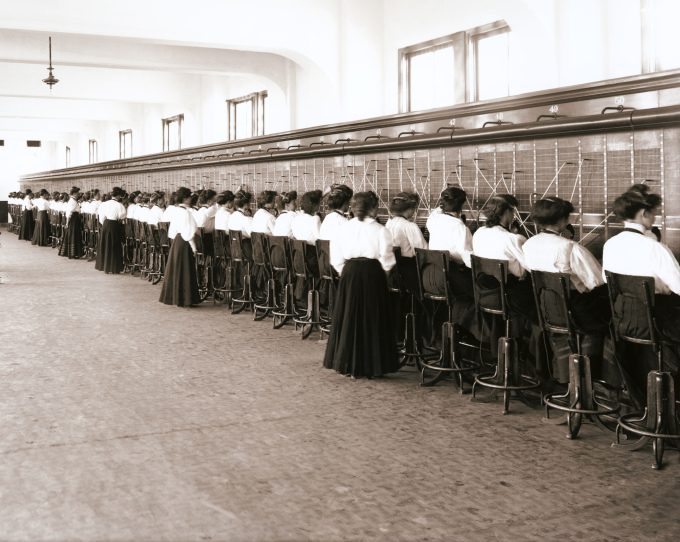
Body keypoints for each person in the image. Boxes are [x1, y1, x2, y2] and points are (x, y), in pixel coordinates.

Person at [603, 185, 680, 392]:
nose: (654, 218)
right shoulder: (655, 248)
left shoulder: (610, 244)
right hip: (658, 323)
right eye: (654, 213)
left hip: (624, 322)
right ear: (645, 214)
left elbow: (606, 279)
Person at [323, 191, 399, 378]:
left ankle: (347, 363)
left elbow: (336, 258)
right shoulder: (381, 230)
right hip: (373, 273)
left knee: (349, 316)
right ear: (374, 208)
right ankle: (373, 366)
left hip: (350, 272)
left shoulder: (344, 228)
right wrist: (383, 275)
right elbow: (387, 259)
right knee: (372, 318)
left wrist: (348, 273)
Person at [159, 186, 201, 307]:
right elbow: (189, 232)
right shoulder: (186, 213)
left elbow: (173, 231)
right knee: (186, 270)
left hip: (177, 241)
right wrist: (194, 248)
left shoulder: (175, 211)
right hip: (184, 242)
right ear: (186, 199)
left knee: (178, 270)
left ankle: (178, 298)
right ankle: (186, 299)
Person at [95, 187, 127, 274]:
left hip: (105, 224)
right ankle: (114, 268)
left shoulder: (104, 204)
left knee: (106, 245)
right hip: (114, 225)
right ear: (119, 196)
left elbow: (101, 217)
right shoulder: (120, 205)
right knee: (114, 245)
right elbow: (122, 217)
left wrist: (104, 224)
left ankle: (105, 267)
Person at [58, 186, 84, 259]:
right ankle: (73, 253)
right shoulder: (72, 201)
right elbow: (69, 213)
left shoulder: (74, 200)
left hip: (75, 219)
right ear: (74, 193)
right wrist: (67, 222)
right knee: (73, 235)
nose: (79, 194)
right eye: (78, 193)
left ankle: (74, 253)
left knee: (74, 235)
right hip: (73, 219)